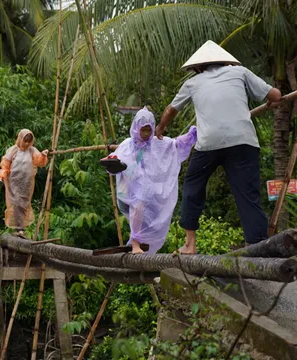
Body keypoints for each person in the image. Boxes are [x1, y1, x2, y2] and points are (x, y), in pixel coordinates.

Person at [156, 40, 282, 254]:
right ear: (224, 61)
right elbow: (276, 96)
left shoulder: (193, 83)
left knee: (193, 187)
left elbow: (171, 110)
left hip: (208, 144)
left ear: (197, 67)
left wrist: (160, 128)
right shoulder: (239, 72)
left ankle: (189, 244)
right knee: (248, 195)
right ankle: (258, 247)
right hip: (243, 141)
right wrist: (271, 101)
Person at [104, 107, 197, 254]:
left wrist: (190, 136)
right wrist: (110, 162)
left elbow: (174, 145)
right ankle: (135, 243)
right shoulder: (127, 145)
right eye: (143, 130)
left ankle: (140, 243)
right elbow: (115, 160)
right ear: (136, 128)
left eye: (149, 130)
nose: (147, 134)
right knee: (138, 203)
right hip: (128, 192)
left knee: (143, 206)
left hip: (148, 194)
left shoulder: (156, 143)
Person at [0, 129, 49, 237]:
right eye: (25, 140)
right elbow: (5, 164)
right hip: (13, 182)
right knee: (15, 203)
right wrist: (1, 176)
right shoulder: (13, 150)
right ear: (20, 139)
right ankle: (19, 228)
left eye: (29, 141)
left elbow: (39, 161)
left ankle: (21, 227)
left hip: (27, 183)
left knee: (23, 204)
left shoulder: (32, 150)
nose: (27, 143)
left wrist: (43, 154)